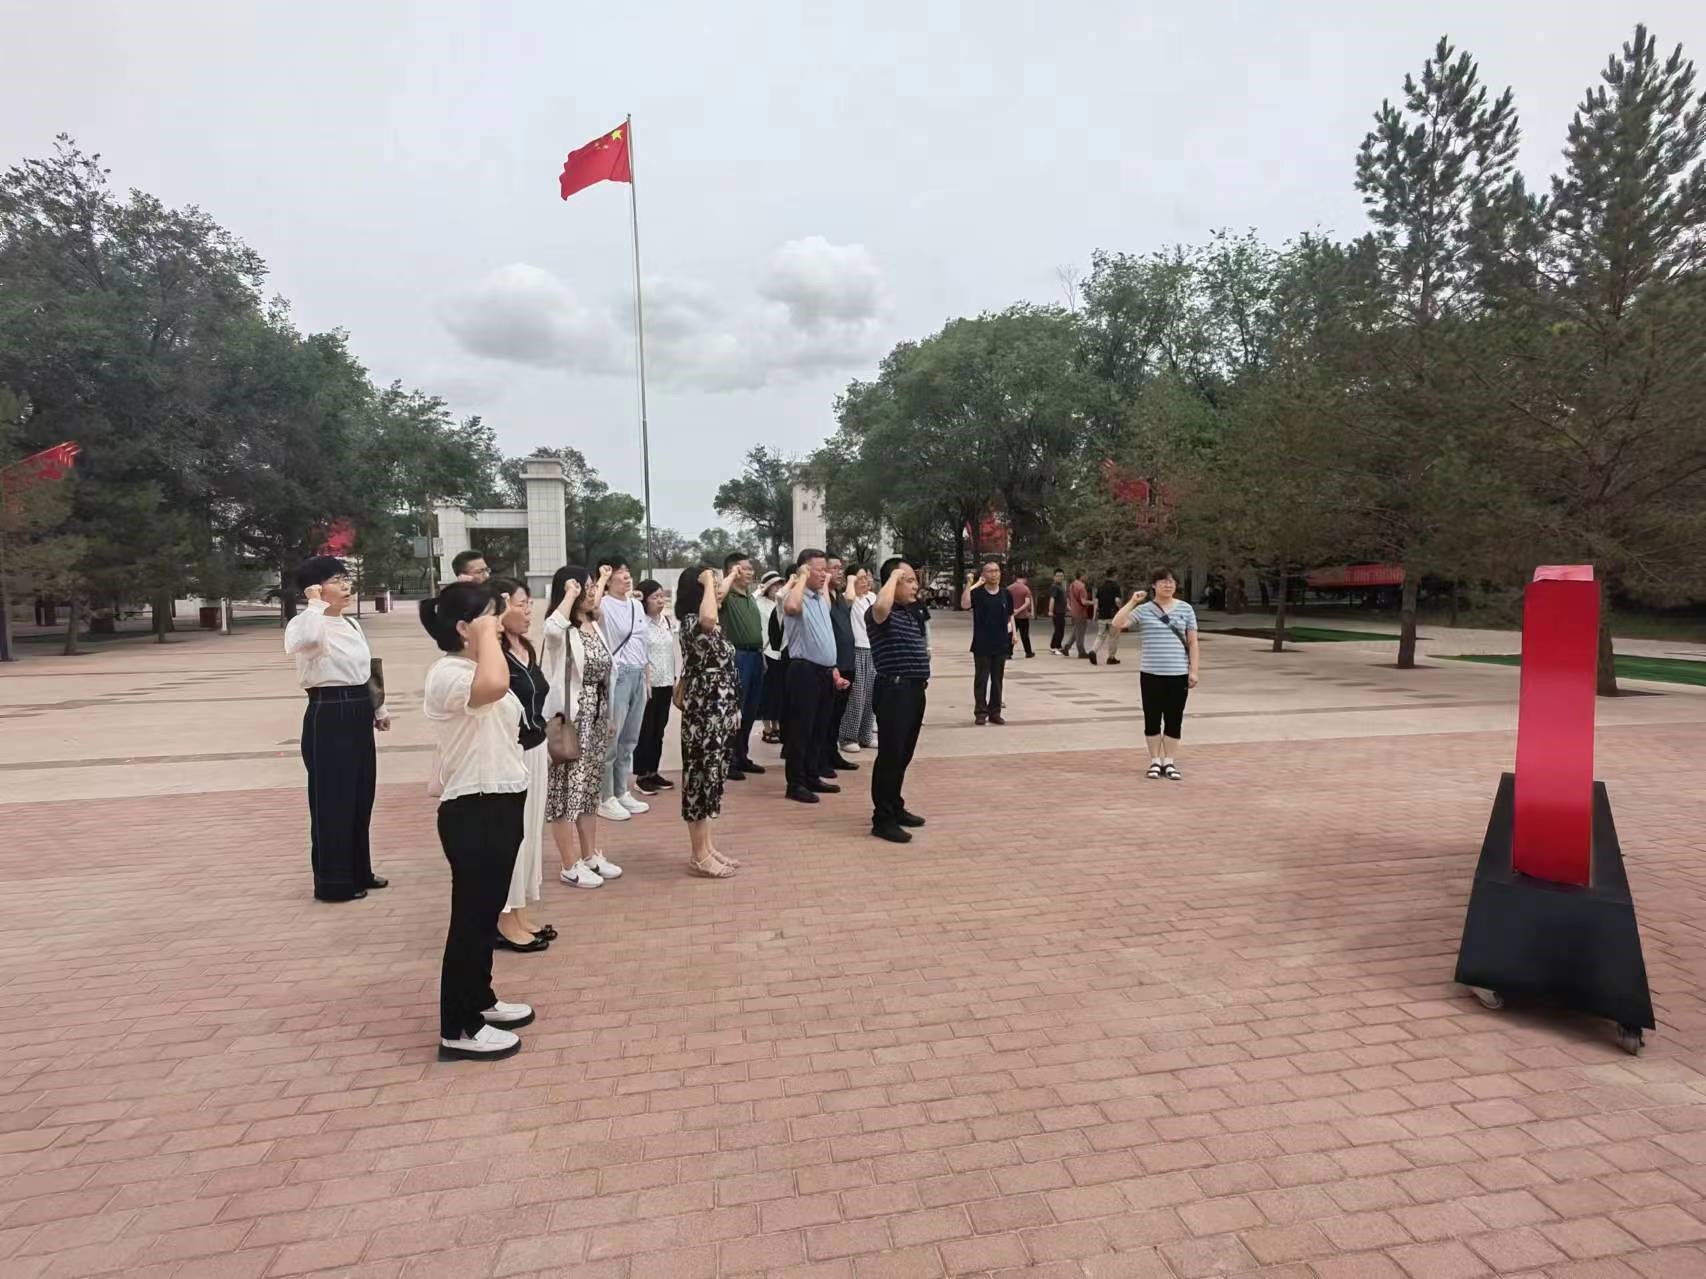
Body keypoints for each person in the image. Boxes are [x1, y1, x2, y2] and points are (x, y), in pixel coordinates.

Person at [418, 580, 533, 1061]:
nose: (499, 622)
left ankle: (480, 1000)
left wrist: (490, 635)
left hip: (501, 801)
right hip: (474, 808)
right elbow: (494, 687)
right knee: (470, 919)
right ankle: (458, 1027)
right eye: (489, 615)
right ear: (464, 627)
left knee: (486, 915)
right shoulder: (447, 674)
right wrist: (486, 634)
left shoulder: (475, 665)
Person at [283, 556, 389, 903]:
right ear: (315, 588)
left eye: (346, 578)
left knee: (360, 793)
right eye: (335, 580)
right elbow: (302, 641)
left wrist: (378, 707)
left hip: (358, 708)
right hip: (329, 712)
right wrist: (314, 603)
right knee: (333, 799)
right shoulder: (306, 622)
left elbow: (365, 668)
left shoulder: (351, 624)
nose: (345, 586)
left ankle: (359, 870)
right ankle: (333, 882)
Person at [542, 565, 624, 889]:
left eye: (591, 586)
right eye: (585, 587)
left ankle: (590, 856)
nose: (592, 592)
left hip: (597, 716)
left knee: (589, 790)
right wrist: (569, 594)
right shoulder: (563, 630)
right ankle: (568, 864)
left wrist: (608, 716)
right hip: (572, 721)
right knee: (566, 792)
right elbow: (551, 627)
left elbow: (606, 674)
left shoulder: (592, 624)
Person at [493, 579, 554, 952]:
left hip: (536, 747)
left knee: (530, 834)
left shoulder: (526, 648)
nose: (529, 611)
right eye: (520, 604)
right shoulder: (494, 654)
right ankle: (503, 918)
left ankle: (519, 909)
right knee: (512, 836)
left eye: (530, 603)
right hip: (512, 752)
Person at [676, 566, 745, 877]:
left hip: (720, 710)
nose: (716, 591)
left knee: (712, 779)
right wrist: (707, 579)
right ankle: (698, 854)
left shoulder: (713, 624)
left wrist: (734, 707)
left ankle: (707, 847)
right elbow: (707, 616)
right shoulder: (693, 622)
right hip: (703, 713)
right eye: (708, 585)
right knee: (699, 779)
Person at [1110, 567, 1201, 780]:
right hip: (1151, 673)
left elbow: (1193, 642)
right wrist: (1133, 602)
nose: (1168, 585)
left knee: (1174, 718)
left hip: (1178, 673)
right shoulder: (1144, 610)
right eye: (1163, 581)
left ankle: (1169, 761)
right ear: (1154, 585)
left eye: (1171, 581)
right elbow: (1117, 624)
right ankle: (1154, 761)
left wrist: (1194, 671)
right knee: (1152, 718)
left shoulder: (1186, 609)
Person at [868, 557, 930, 844]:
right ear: (892, 581)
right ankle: (882, 819)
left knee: (903, 754)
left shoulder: (908, 612)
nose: (915, 586)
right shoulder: (878, 612)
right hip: (894, 691)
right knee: (890, 756)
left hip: (914, 690)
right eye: (909, 580)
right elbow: (881, 607)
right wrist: (894, 578)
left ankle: (895, 805)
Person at [780, 548, 839, 804]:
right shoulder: (795, 595)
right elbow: (791, 607)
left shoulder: (819, 599)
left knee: (818, 729)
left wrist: (833, 668)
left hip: (824, 672)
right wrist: (801, 577)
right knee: (801, 730)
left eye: (826, 569)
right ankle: (795, 783)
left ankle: (811, 775)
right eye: (819, 570)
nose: (824, 575)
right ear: (804, 570)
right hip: (804, 670)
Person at [594, 558, 651, 823]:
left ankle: (621, 790)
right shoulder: (604, 603)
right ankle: (605, 797)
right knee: (611, 740)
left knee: (629, 739)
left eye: (627, 571)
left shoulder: (636, 605)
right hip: (618, 675)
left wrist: (646, 678)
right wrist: (602, 579)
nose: (626, 576)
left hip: (638, 673)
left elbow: (642, 642)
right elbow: (591, 609)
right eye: (619, 573)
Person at [717, 551, 768, 782]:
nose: (750, 572)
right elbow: (717, 595)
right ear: (732, 570)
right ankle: (728, 760)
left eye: (750, 568)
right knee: (735, 709)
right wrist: (729, 576)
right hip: (738, 656)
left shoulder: (749, 597)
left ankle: (742, 755)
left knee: (750, 710)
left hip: (755, 655)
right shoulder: (727, 597)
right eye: (744, 568)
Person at [632, 579, 679, 797]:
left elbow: (670, 652)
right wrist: (645, 681)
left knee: (659, 730)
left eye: (662, 596)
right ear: (644, 600)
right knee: (646, 730)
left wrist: (674, 678)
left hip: (666, 683)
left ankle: (653, 771)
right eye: (655, 597)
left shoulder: (666, 621)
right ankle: (641, 776)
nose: (660, 600)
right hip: (648, 685)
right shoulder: (639, 622)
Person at [961, 562, 1015, 725]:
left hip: (1001, 643)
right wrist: (970, 583)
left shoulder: (1005, 594)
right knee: (981, 679)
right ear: (984, 574)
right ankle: (980, 712)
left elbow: (1010, 615)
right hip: (982, 643)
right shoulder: (977, 593)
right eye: (990, 571)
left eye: (997, 571)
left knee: (997, 680)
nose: (994, 574)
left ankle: (995, 712)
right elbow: (965, 604)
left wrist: (1014, 634)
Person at [821, 555, 860, 775]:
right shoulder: (822, 596)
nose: (839, 572)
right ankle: (822, 758)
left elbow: (851, 598)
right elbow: (825, 610)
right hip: (833, 665)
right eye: (834, 568)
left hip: (847, 662)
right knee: (827, 715)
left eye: (840, 568)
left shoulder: (840, 597)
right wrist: (826, 582)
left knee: (838, 714)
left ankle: (832, 754)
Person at [839, 567, 878, 753]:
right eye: (860, 578)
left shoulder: (872, 597)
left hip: (873, 649)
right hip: (857, 649)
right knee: (857, 696)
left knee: (871, 695)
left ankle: (866, 734)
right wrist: (850, 581)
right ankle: (848, 737)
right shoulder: (848, 598)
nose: (865, 581)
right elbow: (848, 597)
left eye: (867, 578)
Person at [758, 572, 787, 745]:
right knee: (767, 692)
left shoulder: (781, 602)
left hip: (780, 652)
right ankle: (767, 727)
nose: (777, 588)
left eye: (780, 584)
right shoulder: (759, 603)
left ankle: (777, 725)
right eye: (774, 584)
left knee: (778, 692)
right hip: (766, 651)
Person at [1092, 569, 1123, 666]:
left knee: (1100, 635)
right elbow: (1117, 600)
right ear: (1114, 575)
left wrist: (1094, 615)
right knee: (1113, 637)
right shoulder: (1116, 586)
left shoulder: (1100, 587)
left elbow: (1096, 602)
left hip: (1102, 615)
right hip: (1113, 616)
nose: (1117, 577)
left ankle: (1093, 651)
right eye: (1117, 575)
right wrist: (1121, 610)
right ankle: (1111, 657)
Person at [1066, 569, 1095, 658]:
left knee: (1076, 631)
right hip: (1081, 612)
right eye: (1085, 575)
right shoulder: (1081, 587)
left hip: (1074, 611)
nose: (1086, 577)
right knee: (1080, 633)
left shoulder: (1072, 585)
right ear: (1081, 576)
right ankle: (1081, 651)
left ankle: (1066, 647)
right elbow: (1083, 602)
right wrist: (1093, 602)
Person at [1009, 571, 1035, 659]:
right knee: (1025, 635)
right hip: (1023, 616)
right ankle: (1028, 652)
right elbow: (1027, 603)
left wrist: (1013, 610)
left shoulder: (1009, 588)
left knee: (1011, 634)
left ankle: (1008, 653)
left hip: (1011, 616)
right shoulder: (1026, 589)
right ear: (1024, 579)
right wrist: (1019, 610)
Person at [1048, 569, 1069, 654]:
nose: (1060, 577)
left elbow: (1064, 599)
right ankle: (1054, 647)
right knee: (1058, 630)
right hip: (1057, 612)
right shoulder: (1054, 587)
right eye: (1058, 576)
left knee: (1061, 630)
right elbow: (1052, 599)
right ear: (1054, 577)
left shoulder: (1061, 586)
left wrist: (1068, 607)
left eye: (1061, 576)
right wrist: (1050, 611)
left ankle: (1058, 646)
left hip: (1062, 612)